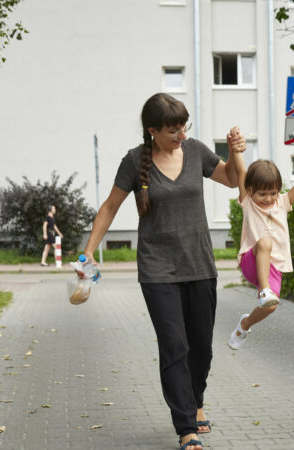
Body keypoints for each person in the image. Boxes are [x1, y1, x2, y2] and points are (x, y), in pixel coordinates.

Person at [77, 93, 246, 450]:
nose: (181, 135)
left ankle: (195, 402)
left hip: (199, 264)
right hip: (158, 270)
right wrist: (89, 251)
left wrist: (235, 151)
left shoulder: (196, 151)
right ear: (152, 130)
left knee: (201, 348)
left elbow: (233, 180)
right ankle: (186, 427)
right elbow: (109, 207)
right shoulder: (133, 161)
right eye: (173, 130)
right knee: (175, 347)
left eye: (183, 127)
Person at [228, 158, 294, 350]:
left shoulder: (282, 202)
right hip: (251, 262)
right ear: (250, 190)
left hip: (274, 268)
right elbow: (242, 170)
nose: (268, 198)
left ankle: (244, 325)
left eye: (273, 193)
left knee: (270, 307)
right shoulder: (248, 202)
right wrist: (236, 150)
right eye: (262, 194)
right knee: (265, 242)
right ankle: (264, 290)